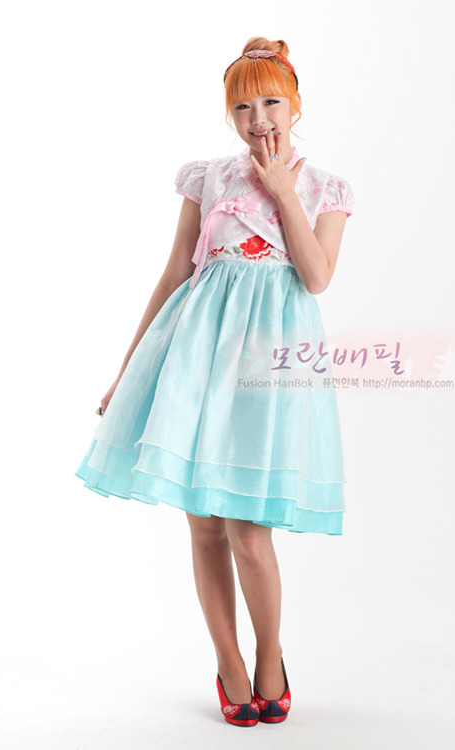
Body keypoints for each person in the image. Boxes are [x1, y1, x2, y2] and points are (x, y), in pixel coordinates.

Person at [75, 36, 354, 727]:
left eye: (272, 103)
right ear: (230, 114)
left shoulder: (324, 188)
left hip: (267, 367)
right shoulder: (208, 178)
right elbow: (176, 272)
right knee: (204, 527)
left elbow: (316, 277)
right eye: (243, 107)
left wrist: (283, 191)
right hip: (194, 353)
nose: (259, 119)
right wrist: (126, 370)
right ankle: (229, 664)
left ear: (295, 105)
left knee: (249, 531)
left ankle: (269, 657)